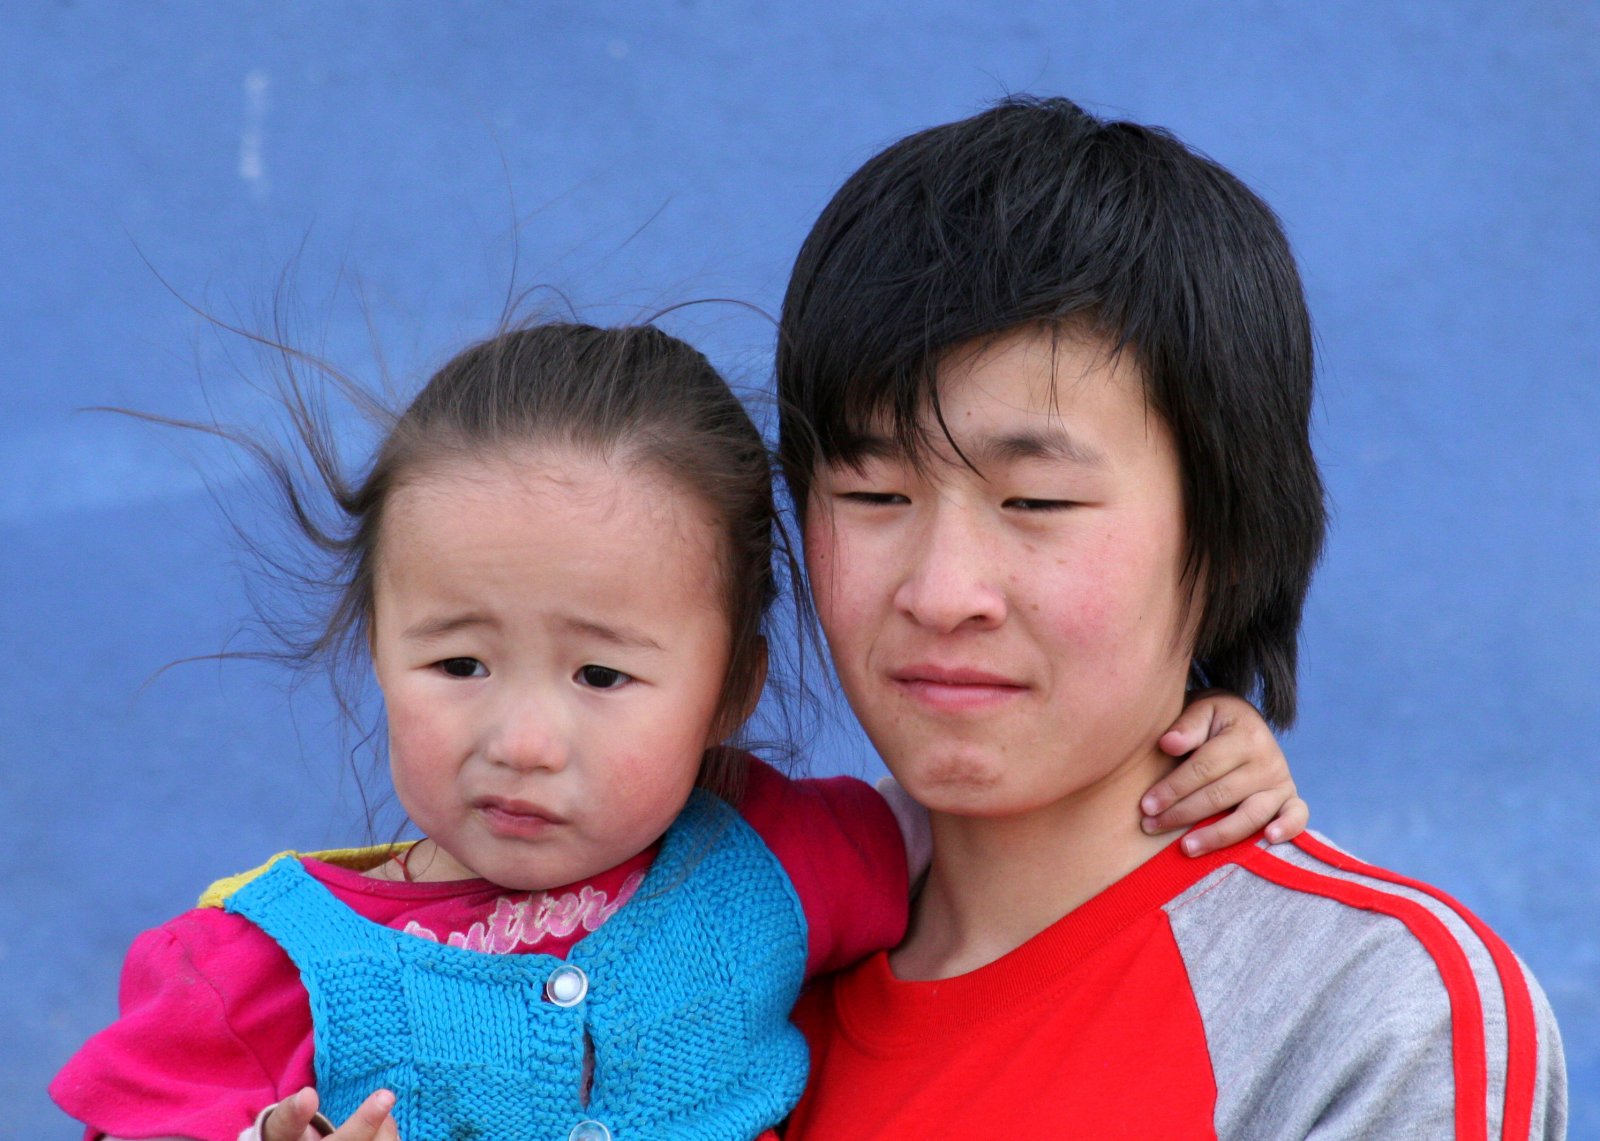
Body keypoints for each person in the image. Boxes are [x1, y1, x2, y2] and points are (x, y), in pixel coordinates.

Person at [51, 321, 1305, 1141]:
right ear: (375, 647)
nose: (523, 738)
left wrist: (1185, 746)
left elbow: (1014, 819)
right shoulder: (255, 966)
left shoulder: (787, 859)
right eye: (457, 662)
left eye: (602, 674)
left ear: (731, 689)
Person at [776, 96, 1568, 1138]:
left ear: (1230, 535)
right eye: (873, 494)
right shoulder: (696, 962)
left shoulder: (1366, 1013)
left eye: (1037, 502)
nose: (941, 590)